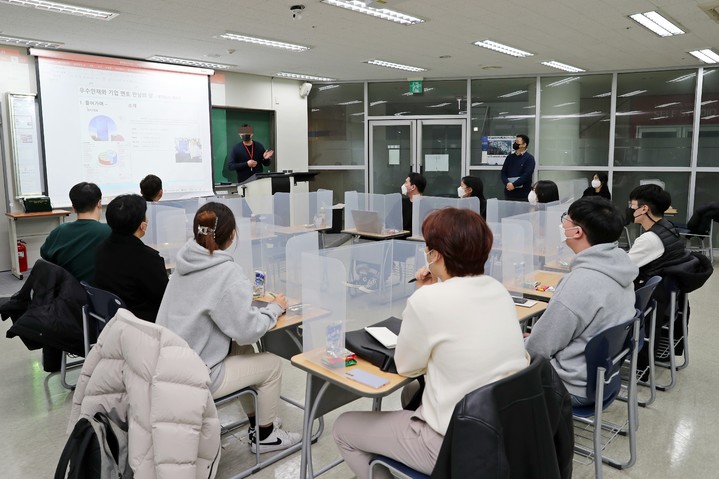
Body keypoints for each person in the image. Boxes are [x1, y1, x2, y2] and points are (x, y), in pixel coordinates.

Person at [333, 208, 529, 478]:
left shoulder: (429, 300)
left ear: (434, 255)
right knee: (410, 393)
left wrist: (422, 296)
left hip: (454, 444)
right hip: (505, 432)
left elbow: (406, 366)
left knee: (344, 427)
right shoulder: (498, 290)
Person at [156, 202, 301, 453]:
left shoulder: (185, 262)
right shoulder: (226, 272)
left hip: (168, 366)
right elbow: (248, 330)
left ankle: (258, 421)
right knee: (272, 365)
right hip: (196, 376)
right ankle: (265, 437)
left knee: (243, 352)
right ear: (232, 234)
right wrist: (275, 308)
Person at [524, 197, 638, 404]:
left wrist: (525, 342)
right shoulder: (621, 266)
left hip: (571, 385)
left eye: (565, 219)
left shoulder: (579, 282)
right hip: (604, 376)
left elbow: (538, 349)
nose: (562, 223)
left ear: (577, 232)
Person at [94, 194, 168, 322]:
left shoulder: (101, 249)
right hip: (142, 326)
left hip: (111, 322)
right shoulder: (147, 258)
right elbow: (165, 298)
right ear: (142, 224)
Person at [40, 182, 110, 283]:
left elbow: (45, 256)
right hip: (100, 294)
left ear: (73, 207)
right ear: (99, 203)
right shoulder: (109, 231)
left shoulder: (59, 231)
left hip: (65, 292)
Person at [626, 184, 685, 282]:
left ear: (644, 209)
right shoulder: (668, 227)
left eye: (632, 205)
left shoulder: (649, 239)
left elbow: (622, 268)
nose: (630, 209)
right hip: (667, 291)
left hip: (648, 293)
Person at [500, 134, 535, 201]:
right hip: (509, 193)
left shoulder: (529, 158)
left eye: (517, 142)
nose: (515, 143)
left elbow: (527, 175)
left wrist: (514, 184)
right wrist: (507, 183)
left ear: (524, 145)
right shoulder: (509, 157)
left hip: (523, 195)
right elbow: (503, 172)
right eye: (515, 141)